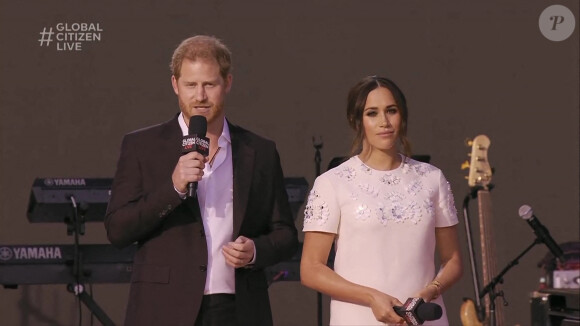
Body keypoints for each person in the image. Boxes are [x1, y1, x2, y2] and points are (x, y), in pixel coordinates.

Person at [105, 35, 299, 326]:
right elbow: (117, 229)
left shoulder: (259, 151)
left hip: (238, 307)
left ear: (228, 83)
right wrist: (173, 187)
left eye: (209, 84)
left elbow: (285, 234)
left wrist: (256, 251)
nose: (200, 96)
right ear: (175, 85)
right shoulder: (142, 146)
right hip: (165, 307)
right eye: (191, 85)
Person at [300, 76, 463, 325]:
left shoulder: (432, 178)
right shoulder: (333, 183)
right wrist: (371, 297)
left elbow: (452, 259)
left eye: (391, 111)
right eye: (372, 113)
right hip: (358, 318)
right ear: (357, 121)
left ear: (403, 116)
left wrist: (430, 291)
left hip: (422, 318)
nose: (384, 122)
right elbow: (311, 268)